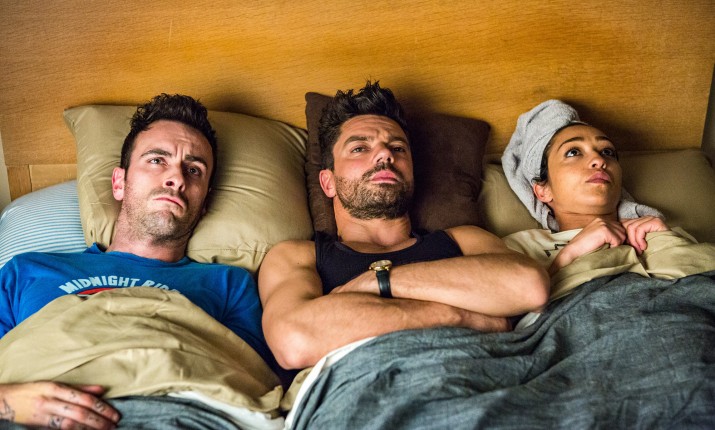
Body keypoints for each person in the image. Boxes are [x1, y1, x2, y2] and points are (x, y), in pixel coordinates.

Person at [0, 94, 276, 429]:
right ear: (119, 183)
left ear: (204, 202)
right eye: (157, 160)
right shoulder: (25, 271)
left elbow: (253, 385)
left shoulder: (229, 283)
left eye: (194, 170)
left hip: (174, 411)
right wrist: (8, 403)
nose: (177, 178)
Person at [258, 81, 549, 371]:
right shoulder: (298, 256)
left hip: (484, 374)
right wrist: (460, 317)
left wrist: (378, 282)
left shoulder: (464, 240)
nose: (385, 155)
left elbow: (529, 286)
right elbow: (293, 341)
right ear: (328, 182)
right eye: (359, 148)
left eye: (397, 147)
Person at [501, 99, 715, 309]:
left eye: (607, 152)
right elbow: (508, 311)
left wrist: (666, 243)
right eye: (573, 152)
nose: (599, 160)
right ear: (543, 190)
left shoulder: (656, 232)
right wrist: (570, 254)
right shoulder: (522, 247)